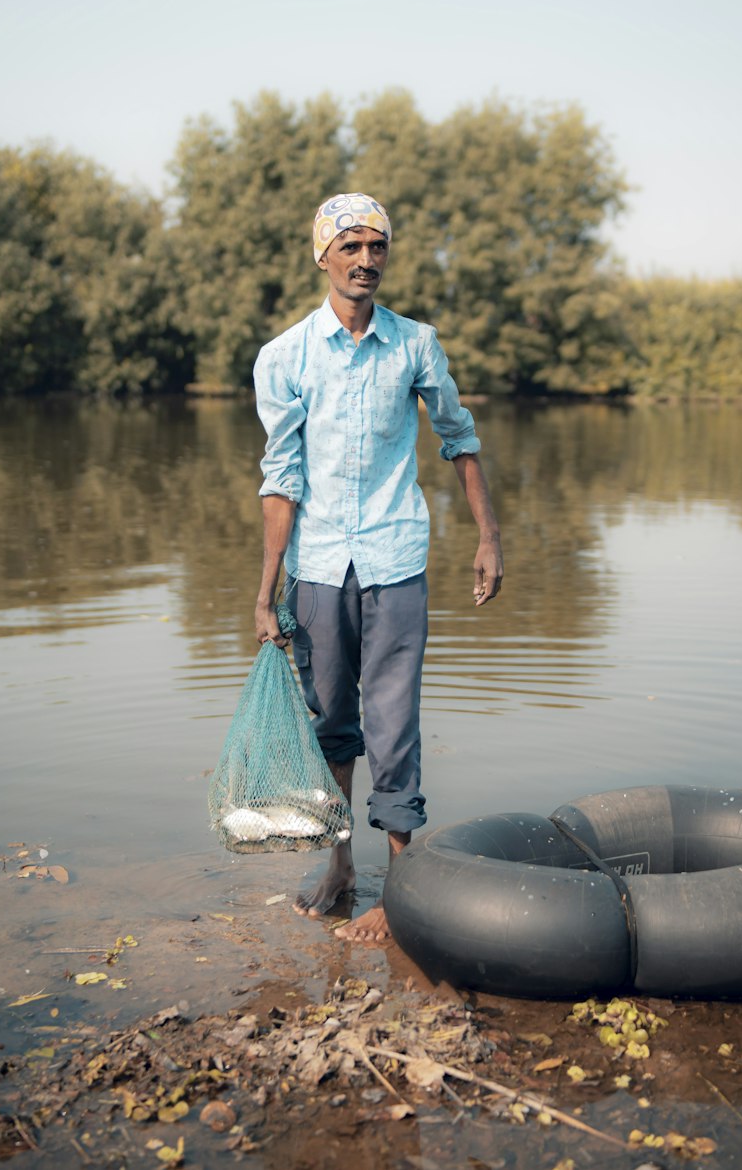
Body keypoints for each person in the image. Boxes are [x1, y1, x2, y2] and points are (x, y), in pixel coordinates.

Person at [253, 192, 503, 943]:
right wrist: (265, 595)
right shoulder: (285, 356)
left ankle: (402, 890)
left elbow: (459, 438)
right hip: (319, 566)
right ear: (322, 255)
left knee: (393, 727)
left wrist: (488, 538)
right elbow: (280, 479)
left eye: (378, 247)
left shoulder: (416, 344)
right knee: (331, 726)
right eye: (351, 246)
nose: (366, 261)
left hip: (395, 558)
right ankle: (339, 867)